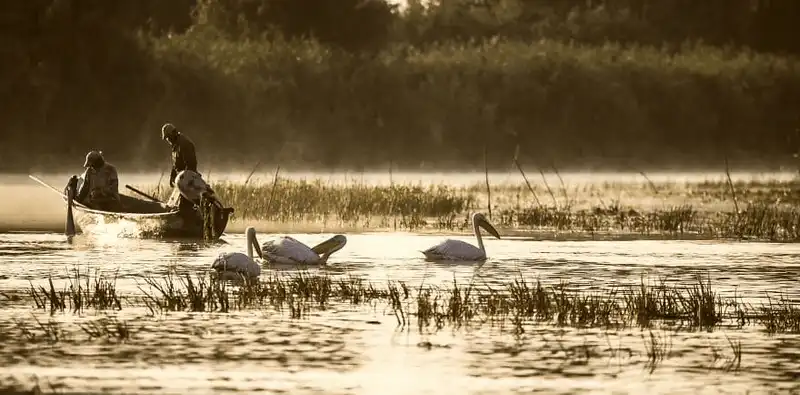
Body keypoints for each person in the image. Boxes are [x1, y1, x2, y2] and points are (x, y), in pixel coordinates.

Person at [161, 122, 199, 222]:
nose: (167, 140)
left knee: (184, 208)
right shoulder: (175, 145)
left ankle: (187, 225)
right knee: (174, 205)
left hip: (187, 181)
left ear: (173, 134)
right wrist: (172, 176)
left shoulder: (184, 144)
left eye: (168, 137)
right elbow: (176, 164)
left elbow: (191, 166)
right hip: (181, 181)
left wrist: (185, 184)